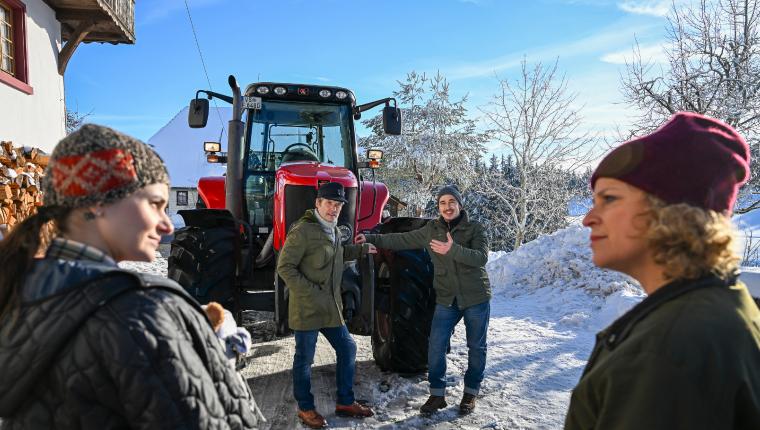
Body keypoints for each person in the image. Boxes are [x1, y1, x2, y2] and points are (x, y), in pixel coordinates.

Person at [0, 124, 264, 429]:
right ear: (99, 202)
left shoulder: (22, 291)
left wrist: (195, 348)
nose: (167, 226)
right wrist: (212, 361)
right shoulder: (143, 312)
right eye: (155, 204)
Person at [564, 112, 760, 429]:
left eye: (609, 199)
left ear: (670, 212)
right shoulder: (720, 303)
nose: (588, 218)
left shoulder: (669, 351)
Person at [356, 185, 491, 415]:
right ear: (438, 207)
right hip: (447, 299)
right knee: (435, 346)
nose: (447, 207)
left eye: (451, 202)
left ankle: (470, 392)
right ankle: (437, 394)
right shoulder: (432, 229)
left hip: (475, 298)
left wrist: (452, 250)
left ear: (459, 204)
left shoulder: (474, 228)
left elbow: (481, 258)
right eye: (442, 203)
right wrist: (371, 238)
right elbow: (403, 240)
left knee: (476, 347)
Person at [276, 182, 377, 429]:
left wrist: (362, 249)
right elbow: (284, 267)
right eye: (329, 203)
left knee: (348, 348)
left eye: (338, 205)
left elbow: (337, 256)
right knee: (304, 359)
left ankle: (345, 401)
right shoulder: (304, 230)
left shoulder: (332, 230)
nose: (334, 209)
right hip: (308, 308)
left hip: (331, 308)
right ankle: (306, 408)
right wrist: (310, 293)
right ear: (318, 203)